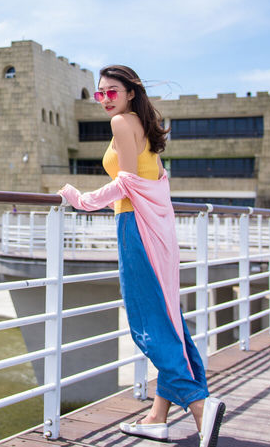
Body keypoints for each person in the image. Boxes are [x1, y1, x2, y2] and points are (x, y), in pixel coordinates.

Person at [58, 65, 225, 447]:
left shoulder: (121, 123)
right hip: (157, 228)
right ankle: (157, 417)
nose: (104, 99)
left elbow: (128, 182)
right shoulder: (142, 122)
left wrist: (81, 199)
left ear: (131, 92)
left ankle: (200, 405)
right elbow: (152, 177)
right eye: (99, 93)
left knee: (147, 322)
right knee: (166, 316)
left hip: (137, 226)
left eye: (111, 91)